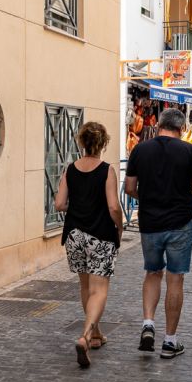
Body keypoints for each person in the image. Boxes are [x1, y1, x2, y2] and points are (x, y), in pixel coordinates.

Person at [124, 108, 192, 359]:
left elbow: (129, 187)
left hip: (150, 224)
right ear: (182, 129)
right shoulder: (188, 150)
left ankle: (148, 324)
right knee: (175, 279)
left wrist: (151, 198)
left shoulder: (140, 150)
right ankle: (170, 341)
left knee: (152, 273)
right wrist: (190, 197)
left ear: (158, 125)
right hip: (179, 224)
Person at [54, 121, 122, 368]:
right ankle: (84, 336)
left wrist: (79, 207)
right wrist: (120, 227)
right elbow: (114, 206)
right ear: (103, 144)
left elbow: (59, 204)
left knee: (85, 288)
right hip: (100, 234)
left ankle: (95, 334)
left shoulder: (70, 170)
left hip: (74, 236)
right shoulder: (106, 170)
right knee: (99, 290)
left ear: (81, 142)